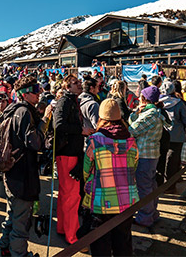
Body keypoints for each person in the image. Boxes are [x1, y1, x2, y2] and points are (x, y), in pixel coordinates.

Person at [83, 99, 139, 256]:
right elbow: (134, 165)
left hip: (101, 201)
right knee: (123, 243)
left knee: (101, 245)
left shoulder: (95, 141)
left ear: (101, 118)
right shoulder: (131, 140)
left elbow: (86, 169)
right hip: (127, 200)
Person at [0, 76, 47, 257]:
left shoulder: (12, 110)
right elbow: (34, 142)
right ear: (25, 94)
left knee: (12, 215)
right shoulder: (24, 112)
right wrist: (44, 122)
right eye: (35, 89)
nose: (39, 92)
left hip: (12, 171)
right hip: (22, 173)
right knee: (21, 220)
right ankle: (19, 254)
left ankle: (5, 247)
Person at [53, 75, 94, 245]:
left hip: (69, 153)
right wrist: (81, 130)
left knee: (66, 194)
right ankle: (73, 237)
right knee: (72, 196)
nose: (79, 84)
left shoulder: (72, 100)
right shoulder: (66, 101)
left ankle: (63, 228)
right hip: (68, 153)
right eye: (75, 83)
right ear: (67, 87)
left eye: (78, 82)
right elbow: (59, 125)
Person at [129, 86, 170, 227]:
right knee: (151, 185)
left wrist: (136, 114)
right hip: (152, 154)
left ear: (144, 98)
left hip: (145, 154)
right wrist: (136, 112)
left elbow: (132, 130)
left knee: (144, 186)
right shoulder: (153, 112)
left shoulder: (150, 114)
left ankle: (145, 217)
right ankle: (152, 213)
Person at [158, 81, 186, 192]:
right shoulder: (179, 103)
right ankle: (170, 185)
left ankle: (159, 183)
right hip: (177, 135)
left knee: (162, 159)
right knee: (173, 161)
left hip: (161, 135)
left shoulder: (157, 102)